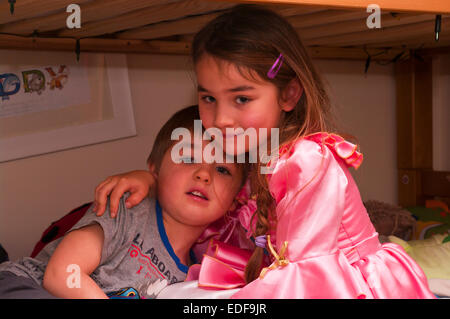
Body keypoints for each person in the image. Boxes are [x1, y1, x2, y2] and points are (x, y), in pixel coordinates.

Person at [92, 5, 435, 298]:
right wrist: (150, 179)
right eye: (209, 98)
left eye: (242, 98)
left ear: (288, 95)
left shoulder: (307, 163)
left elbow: (308, 277)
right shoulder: (245, 153)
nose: (221, 119)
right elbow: (204, 206)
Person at [0, 105, 248, 299]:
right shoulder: (129, 207)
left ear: (235, 202)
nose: (204, 174)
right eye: (189, 157)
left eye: (223, 169)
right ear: (155, 169)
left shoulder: (194, 279)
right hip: (24, 284)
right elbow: (62, 274)